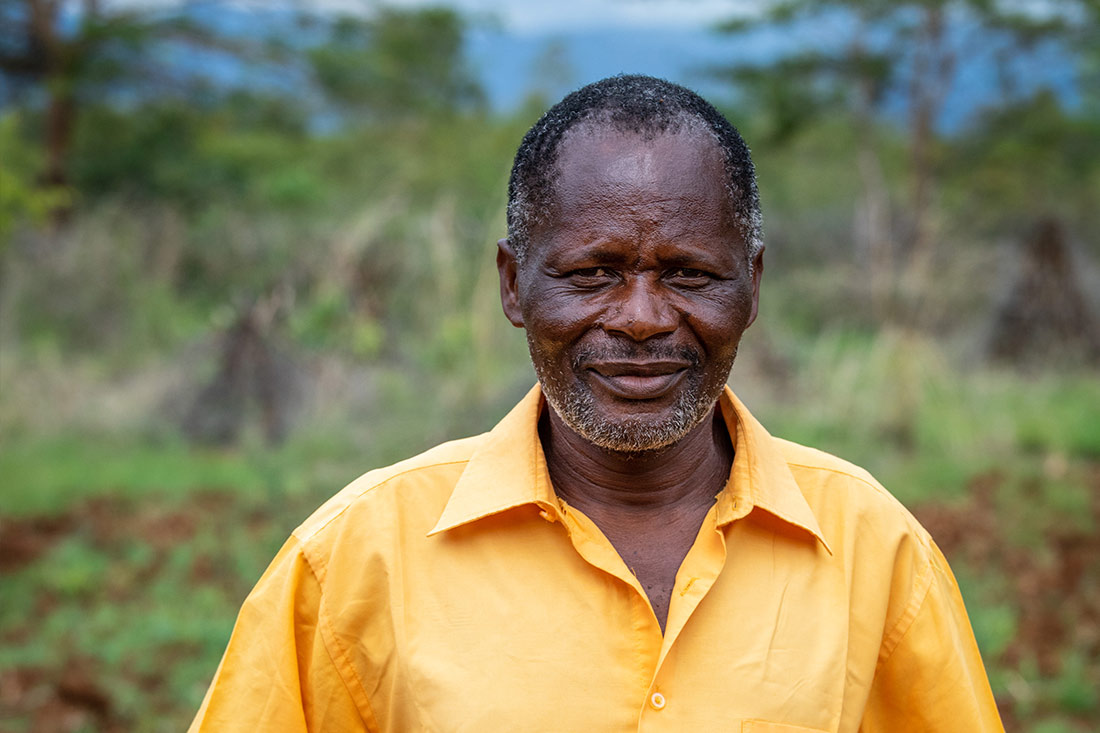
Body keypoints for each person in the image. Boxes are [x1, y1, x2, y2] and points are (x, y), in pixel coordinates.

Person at [189, 75, 1004, 732]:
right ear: (514, 285)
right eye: (591, 273)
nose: (642, 318)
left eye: (689, 273)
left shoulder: (877, 552)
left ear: (751, 287)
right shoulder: (354, 559)